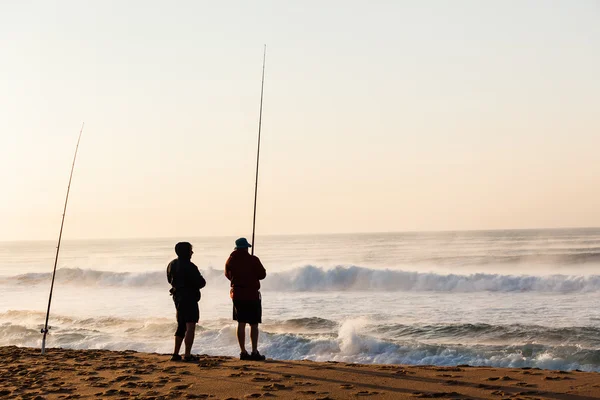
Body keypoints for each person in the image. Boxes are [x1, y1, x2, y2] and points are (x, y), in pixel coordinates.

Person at [225, 237, 267, 361]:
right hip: (252, 295)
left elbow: (228, 275)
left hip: (237, 294)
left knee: (241, 323)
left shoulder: (230, 260)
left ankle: (243, 351)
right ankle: (254, 351)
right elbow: (262, 275)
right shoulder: (253, 259)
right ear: (246, 248)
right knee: (254, 324)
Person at [167, 241, 206, 361]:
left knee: (181, 325)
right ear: (186, 252)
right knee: (190, 326)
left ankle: (176, 353)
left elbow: (169, 280)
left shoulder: (171, 264)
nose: (192, 252)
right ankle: (187, 354)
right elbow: (201, 282)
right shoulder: (190, 266)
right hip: (189, 298)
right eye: (190, 250)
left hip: (177, 297)